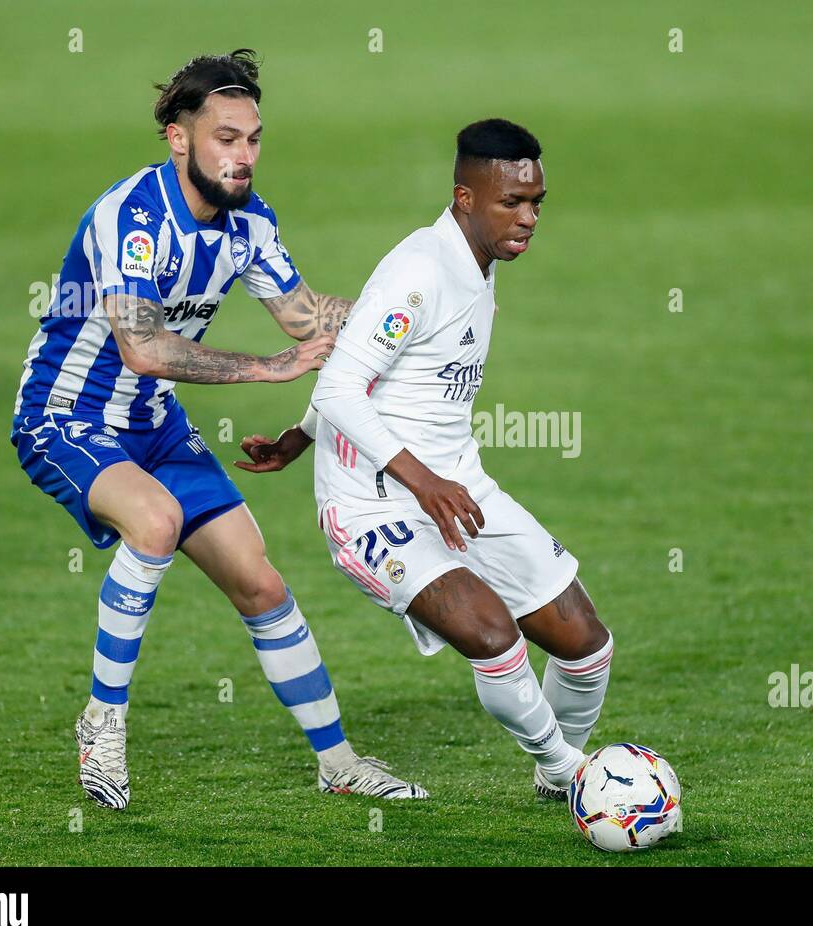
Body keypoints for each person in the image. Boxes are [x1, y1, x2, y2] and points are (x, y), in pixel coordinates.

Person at [11, 49, 426, 809]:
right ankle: (102, 721)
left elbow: (307, 317)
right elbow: (141, 346)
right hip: (63, 417)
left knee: (259, 580)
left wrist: (417, 314)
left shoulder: (250, 223)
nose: (243, 156)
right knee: (157, 520)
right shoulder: (131, 217)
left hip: (152, 423)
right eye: (226, 138)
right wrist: (265, 369)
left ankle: (338, 764)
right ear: (178, 137)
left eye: (254, 139)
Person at [238, 119, 613, 799]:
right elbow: (340, 383)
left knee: (586, 645)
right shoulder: (419, 272)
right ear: (464, 198)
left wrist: (298, 436)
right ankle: (575, 777)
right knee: (494, 636)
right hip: (372, 504)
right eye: (512, 203)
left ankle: (562, 786)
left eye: (537, 203)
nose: (529, 218)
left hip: (454, 487)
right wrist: (422, 480)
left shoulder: (480, 261)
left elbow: (373, 368)